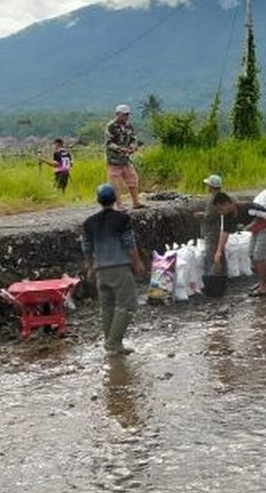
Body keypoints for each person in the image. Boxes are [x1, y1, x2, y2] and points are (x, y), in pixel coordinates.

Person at [82, 184, 145, 355]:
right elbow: (129, 244)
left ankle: (110, 344)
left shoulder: (89, 222)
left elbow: (86, 247)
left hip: (101, 270)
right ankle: (114, 343)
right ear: (115, 199)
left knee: (107, 306)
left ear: (98, 201)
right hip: (119, 268)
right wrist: (137, 263)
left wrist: (90, 267)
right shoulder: (122, 219)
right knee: (128, 304)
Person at [212, 191, 266, 295]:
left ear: (227, 204)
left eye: (221, 209)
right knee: (251, 255)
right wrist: (219, 251)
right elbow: (224, 233)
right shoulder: (227, 216)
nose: (220, 212)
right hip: (255, 230)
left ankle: (264, 287)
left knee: (260, 257)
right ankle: (262, 281)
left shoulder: (248, 208)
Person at [105, 104, 145, 209]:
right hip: (114, 160)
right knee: (115, 184)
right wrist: (120, 149)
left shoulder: (128, 125)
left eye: (127, 115)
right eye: (124, 115)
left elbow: (133, 138)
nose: (126, 117)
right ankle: (119, 205)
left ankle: (136, 202)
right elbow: (109, 143)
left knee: (133, 180)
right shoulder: (111, 126)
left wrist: (133, 147)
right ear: (117, 114)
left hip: (126, 159)